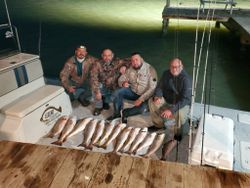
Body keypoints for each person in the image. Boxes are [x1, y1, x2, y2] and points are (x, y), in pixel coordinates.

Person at [148, 57, 192, 160]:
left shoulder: (186, 79)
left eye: (177, 67)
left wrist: (171, 110)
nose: (174, 69)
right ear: (169, 66)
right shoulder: (166, 73)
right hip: (167, 100)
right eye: (172, 66)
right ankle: (159, 125)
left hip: (181, 104)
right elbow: (159, 87)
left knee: (180, 115)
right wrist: (158, 96)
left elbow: (186, 99)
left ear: (181, 67)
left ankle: (176, 128)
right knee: (152, 102)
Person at [107, 52, 158, 123]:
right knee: (117, 92)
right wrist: (123, 83)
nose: (135, 62)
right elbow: (121, 79)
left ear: (141, 59)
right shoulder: (130, 69)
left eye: (136, 60)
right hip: (133, 92)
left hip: (146, 96)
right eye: (133, 61)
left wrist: (141, 99)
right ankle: (117, 114)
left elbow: (152, 88)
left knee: (142, 109)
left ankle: (124, 113)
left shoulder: (150, 70)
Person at [90, 48, 129, 116]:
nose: (107, 58)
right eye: (105, 55)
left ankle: (106, 102)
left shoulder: (118, 61)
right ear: (102, 56)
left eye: (109, 55)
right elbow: (93, 78)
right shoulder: (97, 64)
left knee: (118, 93)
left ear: (112, 55)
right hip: (103, 85)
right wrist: (97, 91)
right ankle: (99, 107)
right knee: (94, 89)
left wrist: (124, 66)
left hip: (114, 85)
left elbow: (130, 61)